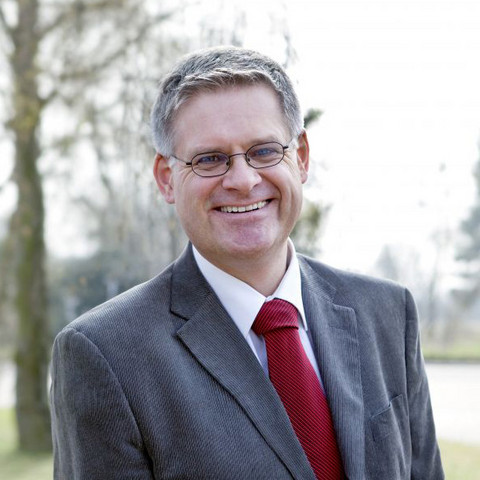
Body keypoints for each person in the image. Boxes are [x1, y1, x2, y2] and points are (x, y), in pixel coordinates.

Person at [50, 46, 444, 480]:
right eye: (209, 159)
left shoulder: (388, 313)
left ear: (301, 157)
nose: (243, 180)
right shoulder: (105, 354)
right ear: (166, 178)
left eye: (264, 151)